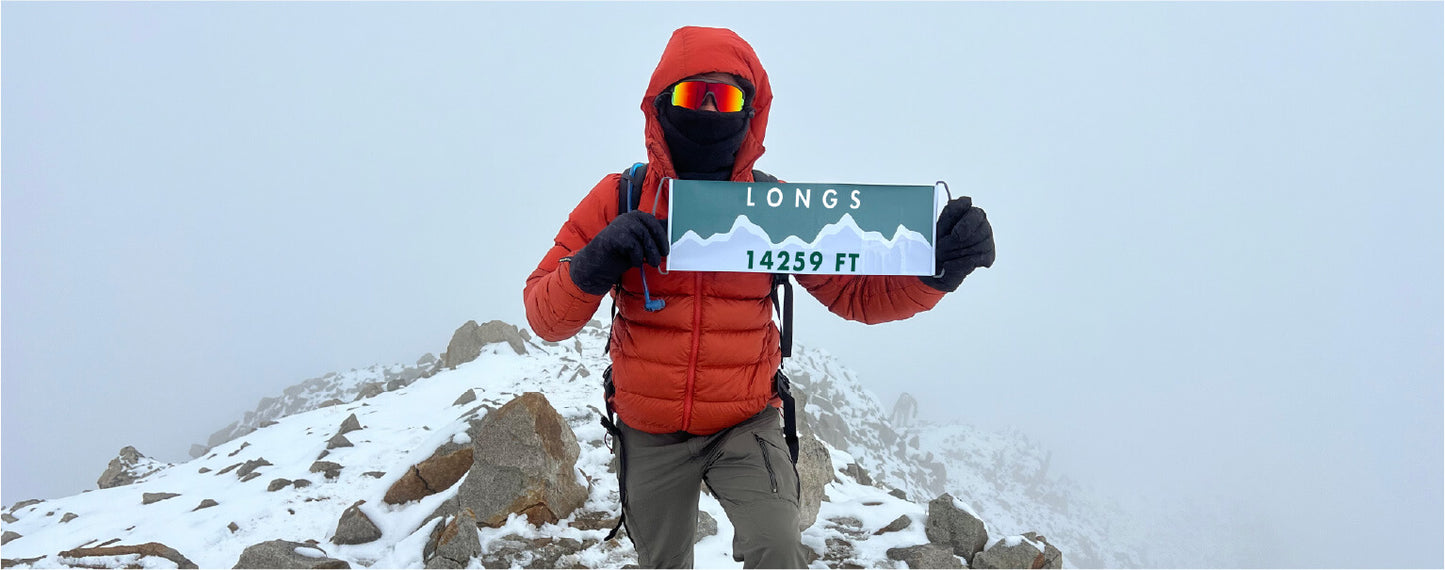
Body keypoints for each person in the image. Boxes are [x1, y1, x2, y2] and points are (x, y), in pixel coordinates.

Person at [523, 26, 995, 569]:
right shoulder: (620, 197)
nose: (707, 110)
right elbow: (544, 315)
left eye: (724, 98)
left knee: (778, 548)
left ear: (752, 111)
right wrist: (593, 262)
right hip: (648, 430)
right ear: (659, 104)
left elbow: (856, 295)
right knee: (662, 562)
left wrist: (938, 271)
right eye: (690, 94)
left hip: (745, 422)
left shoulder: (775, 207)